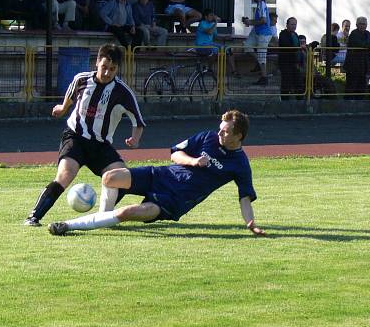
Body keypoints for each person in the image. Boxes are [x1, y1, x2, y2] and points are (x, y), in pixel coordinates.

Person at [47, 109, 266, 237]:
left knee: (127, 213)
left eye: (225, 131)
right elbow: (174, 154)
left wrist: (251, 224)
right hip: (159, 175)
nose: (219, 132)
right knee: (110, 177)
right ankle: (104, 216)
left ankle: (67, 225)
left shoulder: (240, 164)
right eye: (220, 127)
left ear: (238, 136)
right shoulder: (208, 137)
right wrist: (194, 161)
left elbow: (245, 198)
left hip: (172, 201)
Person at [23, 44, 145, 227]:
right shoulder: (82, 79)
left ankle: (103, 217)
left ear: (117, 69)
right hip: (75, 138)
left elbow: (138, 121)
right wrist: (62, 109)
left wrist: (135, 138)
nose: (107, 73)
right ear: (97, 62)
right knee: (65, 174)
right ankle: (33, 217)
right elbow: (70, 95)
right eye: (104, 67)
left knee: (122, 177)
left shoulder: (123, 92)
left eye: (112, 69)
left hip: (101, 145)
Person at [236, 0, 273, 85]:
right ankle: (259, 63)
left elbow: (263, 20)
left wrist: (250, 22)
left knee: (261, 56)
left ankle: (264, 77)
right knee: (247, 45)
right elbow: (261, 20)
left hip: (263, 34)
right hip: (257, 32)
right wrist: (250, 22)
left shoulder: (261, 4)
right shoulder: (259, 5)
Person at [343, 16, 370, 97]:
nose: (363, 26)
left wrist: (368, 45)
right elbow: (360, 44)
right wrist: (368, 45)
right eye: (361, 24)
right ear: (357, 24)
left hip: (364, 64)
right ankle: (348, 102)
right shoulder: (354, 34)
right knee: (352, 85)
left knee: (362, 85)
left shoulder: (368, 33)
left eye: (364, 24)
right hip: (353, 64)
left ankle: (360, 101)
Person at [278, 17, 303, 100]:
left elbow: (298, 48)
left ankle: (300, 101)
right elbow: (286, 46)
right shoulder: (283, 34)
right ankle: (285, 102)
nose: (294, 26)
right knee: (286, 83)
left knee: (298, 82)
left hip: (295, 63)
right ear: (287, 25)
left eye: (295, 24)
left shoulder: (295, 34)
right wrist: (298, 48)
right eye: (292, 24)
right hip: (286, 63)